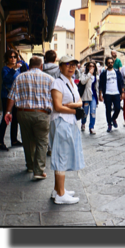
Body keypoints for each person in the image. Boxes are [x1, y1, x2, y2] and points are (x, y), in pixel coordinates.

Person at [5, 56, 54, 178]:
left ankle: (30, 166)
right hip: (42, 113)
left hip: (23, 113)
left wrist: (7, 112)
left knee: (27, 140)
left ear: (29, 66)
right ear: (41, 66)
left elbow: (11, 96)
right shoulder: (49, 79)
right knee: (42, 142)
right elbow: (55, 98)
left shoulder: (19, 77)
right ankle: (39, 171)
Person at [50, 55, 85, 204]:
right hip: (61, 122)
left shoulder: (71, 82)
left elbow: (80, 100)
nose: (71, 67)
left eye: (74, 64)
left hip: (67, 122)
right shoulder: (57, 83)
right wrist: (76, 110)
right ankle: (61, 195)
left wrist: (74, 106)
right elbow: (57, 107)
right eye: (67, 64)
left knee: (62, 155)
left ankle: (57, 190)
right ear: (60, 67)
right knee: (61, 157)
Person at [0, 49, 24, 151]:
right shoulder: (5, 69)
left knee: (15, 119)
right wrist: (13, 69)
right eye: (11, 57)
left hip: (16, 96)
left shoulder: (18, 68)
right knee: (5, 118)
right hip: (7, 96)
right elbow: (6, 79)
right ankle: (0, 141)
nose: (13, 59)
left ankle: (14, 140)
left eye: (15, 57)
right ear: (7, 58)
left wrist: (20, 61)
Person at [99, 56, 125, 132]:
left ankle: (113, 118)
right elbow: (100, 85)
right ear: (106, 64)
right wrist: (100, 95)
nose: (110, 64)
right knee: (108, 109)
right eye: (109, 62)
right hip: (107, 94)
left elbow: (121, 83)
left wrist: (122, 92)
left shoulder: (117, 72)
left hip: (116, 93)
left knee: (117, 108)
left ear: (113, 63)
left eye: (111, 62)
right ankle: (109, 124)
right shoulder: (103, 73)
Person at [80, 61, 99, 134]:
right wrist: (89, 74)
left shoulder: (96, 76)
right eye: (90, 66)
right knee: (85, 112)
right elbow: (83, 82)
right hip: (86, 96)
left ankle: (91, 127)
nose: (91, 67)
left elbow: (96, 87)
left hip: (93, 96)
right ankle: (83, 123)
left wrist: (98, 96)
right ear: (87, 67)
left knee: (93, 112)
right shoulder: (84, 74)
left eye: (93, 66)